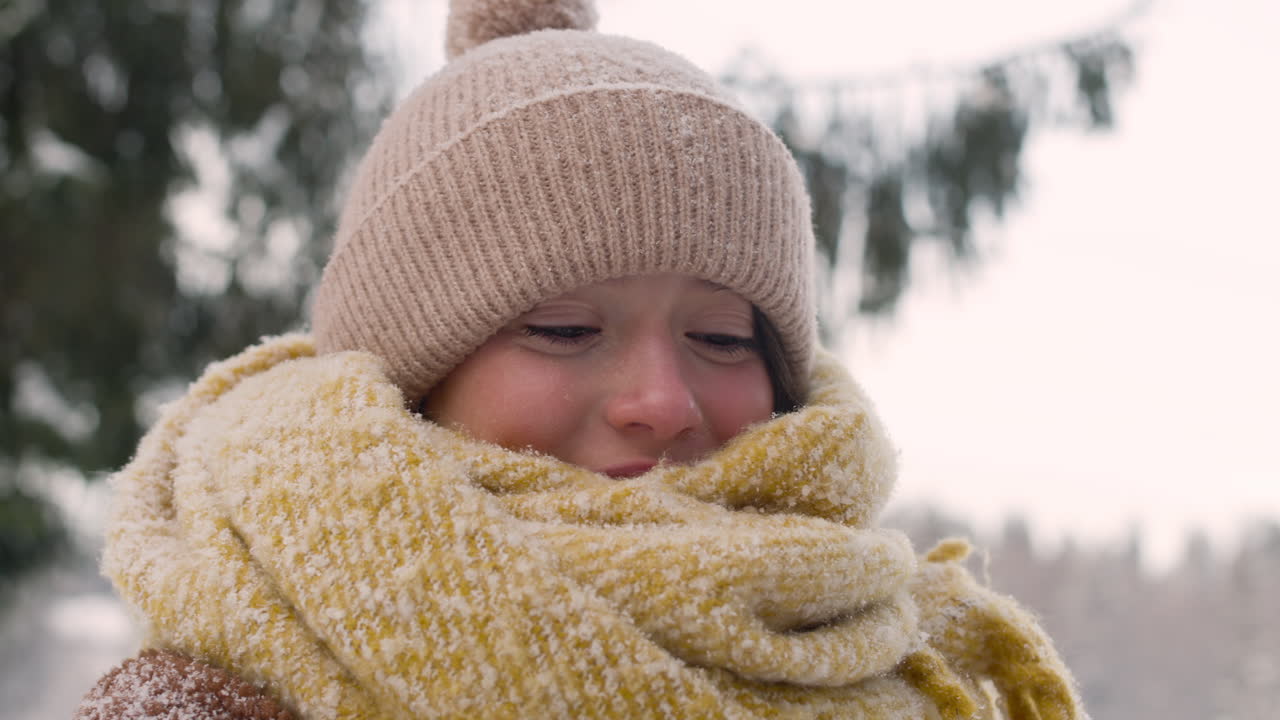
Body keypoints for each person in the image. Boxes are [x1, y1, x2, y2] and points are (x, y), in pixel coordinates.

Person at [77, 1, 1085, 718]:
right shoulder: (216, 704)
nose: (659, 400)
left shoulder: (905, 676)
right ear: (408, 375)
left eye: (722, 339)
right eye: (563, 330)